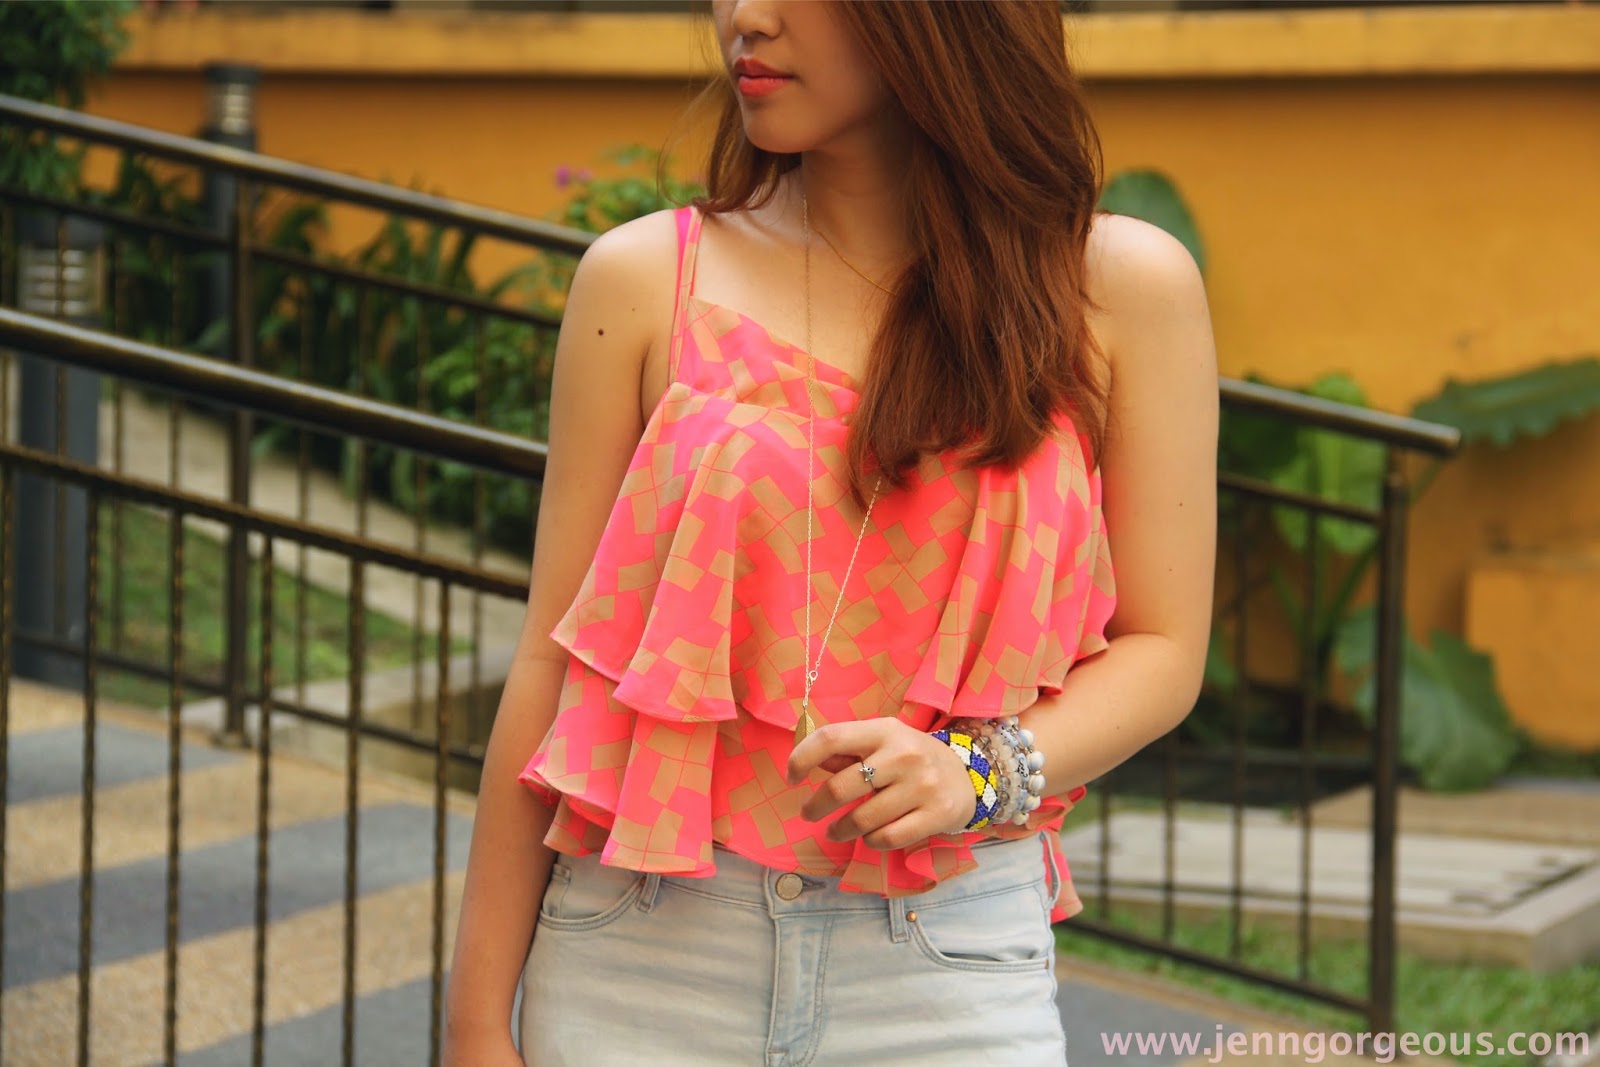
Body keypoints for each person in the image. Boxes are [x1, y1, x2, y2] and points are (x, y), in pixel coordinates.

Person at [444, 1, 1217, 1064]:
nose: (742, 16)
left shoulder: (1115, 290)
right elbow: (549, 659)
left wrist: (975, 768)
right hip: (641, 951)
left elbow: (1163, 647)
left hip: (942, 958)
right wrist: (475, 1023)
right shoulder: (646, 279)